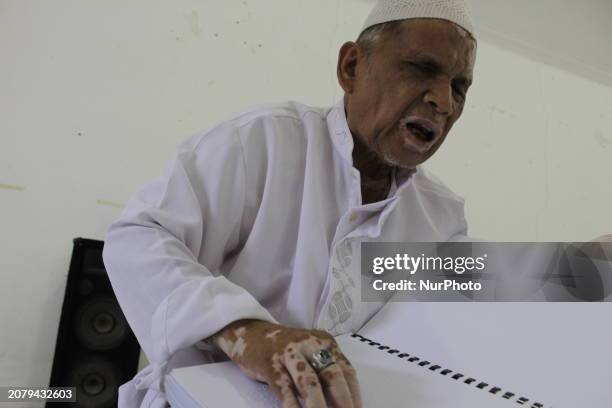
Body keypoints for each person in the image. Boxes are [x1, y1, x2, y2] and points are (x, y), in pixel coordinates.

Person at [102, 1, 478, 407]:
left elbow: (425, 342)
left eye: (459, 86)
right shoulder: (264, 142)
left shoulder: (442, 219)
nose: (443, 101)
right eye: (421, 69)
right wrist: (244, 330)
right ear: (351, 67)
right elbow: (138, 237)